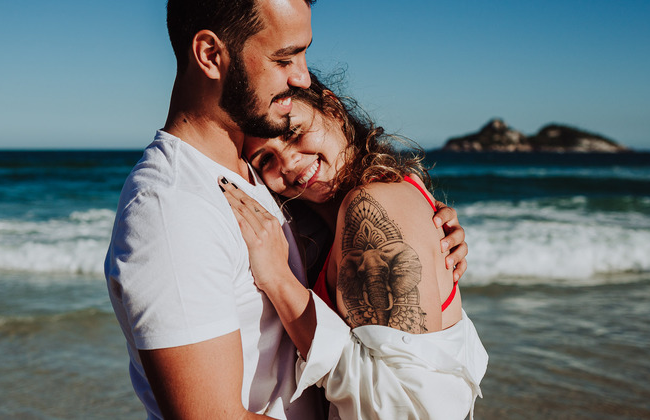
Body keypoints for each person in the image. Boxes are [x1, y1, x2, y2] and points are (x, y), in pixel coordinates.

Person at [104, 1, 469, 419]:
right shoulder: (170, 207)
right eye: (284, 58)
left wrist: (420, 228)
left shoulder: (253, 169)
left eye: (303, 53)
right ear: (209, 55)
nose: (302, 76)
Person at [219, 73, 488, 420]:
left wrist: (276, 278)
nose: (288, 163)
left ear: (331, 106)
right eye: (265, 161)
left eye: (292, 132)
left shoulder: (371, 205)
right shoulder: (339, 222)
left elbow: (403, 405)